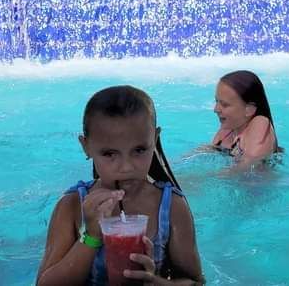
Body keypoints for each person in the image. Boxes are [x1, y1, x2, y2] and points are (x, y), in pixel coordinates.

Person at [37, 85, 204, 286]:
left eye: (139, 150)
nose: (126, 167)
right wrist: (91, 237)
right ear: (86, 146)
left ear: (155, 139)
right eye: (109, 154)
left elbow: (196, 282)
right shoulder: (72, 206)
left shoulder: (171, 206)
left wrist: (158, 282)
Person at [211, 70, 279, 169]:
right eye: (216, 101)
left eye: (224, 104)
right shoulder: (228, 129)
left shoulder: (260, 123)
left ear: (249, 110)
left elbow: (247, 167)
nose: (216, 109)